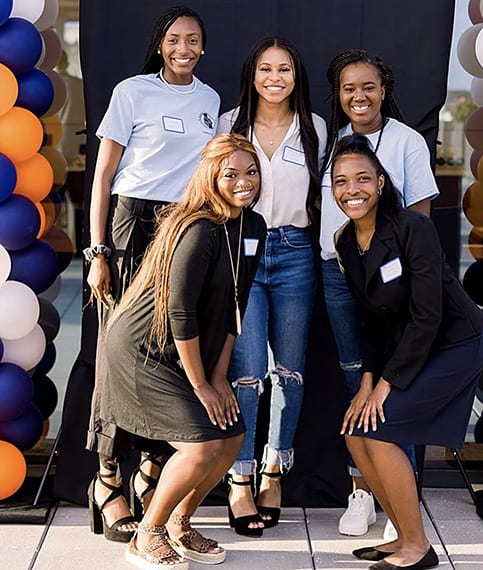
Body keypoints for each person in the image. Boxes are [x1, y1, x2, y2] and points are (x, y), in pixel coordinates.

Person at [88, 133, 266, 569]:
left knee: (233, 436)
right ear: (210, 176)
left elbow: (234, 306)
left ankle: (179, 523)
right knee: (200, 445)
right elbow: (181, 312)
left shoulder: (252, 226)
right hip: (140, 350)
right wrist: (202, 384)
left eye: (251, 171)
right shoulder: (197, 227)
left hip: (181, 351)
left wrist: (220, 375)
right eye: (231, 174)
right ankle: (146, 534)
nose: (244, 182)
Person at [84, 6, 220, 543]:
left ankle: (151, 470)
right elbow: (104, 175)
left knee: (166, 348)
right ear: (160, 45)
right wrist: (99, 252)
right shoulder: (132, 91)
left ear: (203, 48)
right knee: (114, 352)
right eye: (174, 39)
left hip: (182, 229)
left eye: (193, 40)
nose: (183, 47)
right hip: (130, 225)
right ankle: (108, 478)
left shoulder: (211, 102)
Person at [331, 134, 483, 570]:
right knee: (354, 431)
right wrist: (366, 383)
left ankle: (417, 547)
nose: (352, 190)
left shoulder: (411, 228)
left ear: (381, 182)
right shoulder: (345, 240)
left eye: (363, 178)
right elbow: (370, 320)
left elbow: (427, 317)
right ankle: (401, 535)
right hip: (406, 347)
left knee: (380, 430)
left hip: (455, 343)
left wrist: (386, 385)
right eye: (341, 181)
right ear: (332, 190)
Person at [320, 49, 440, 537]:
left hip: (392, 280)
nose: (359, 96)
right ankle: (362, 493)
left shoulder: (407, 141)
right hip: (338, 273)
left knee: (395, 382)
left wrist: (409, 283)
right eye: (349, 88)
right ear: (340, 95)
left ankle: (400, 502)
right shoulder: (331, 141)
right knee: (356, 380)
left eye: (368, 86)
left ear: (384, 90)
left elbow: (421, 216)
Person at [218, 36, 326, 535]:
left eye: (284, 69)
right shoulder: (230, 124)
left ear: (296, 77)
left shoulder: (315, 128)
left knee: (289, 370)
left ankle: (273, 470)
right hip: (242, 249)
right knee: (246, 371)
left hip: (296, 251)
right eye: (266, 69)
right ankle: (239, 479)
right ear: (253, 74)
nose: (275, 78)